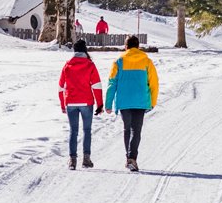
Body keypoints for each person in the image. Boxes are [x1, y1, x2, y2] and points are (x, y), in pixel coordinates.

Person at [105, 36, 158, 172]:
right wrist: (153, 101)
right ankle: (132, 158)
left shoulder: (118, 62)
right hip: (140, 101)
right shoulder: (147, 61)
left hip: (124, 101)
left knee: (127, 128)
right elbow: (154, 83)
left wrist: (108, 103)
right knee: (136, 130)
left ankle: (128, 157)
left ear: (126, 46)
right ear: (138, 46)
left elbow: (112, 83)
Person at [59, 40, 103, 170]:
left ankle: (72, 160)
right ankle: (86, 159)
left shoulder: (67, 66)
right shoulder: (90, 65)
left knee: (73, 131)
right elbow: (97, 86)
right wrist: (99, 104)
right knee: (87, 130)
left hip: (71, 102)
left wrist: (63, 103)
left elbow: (61, 87)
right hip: (86, 102)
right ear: (85, 50)